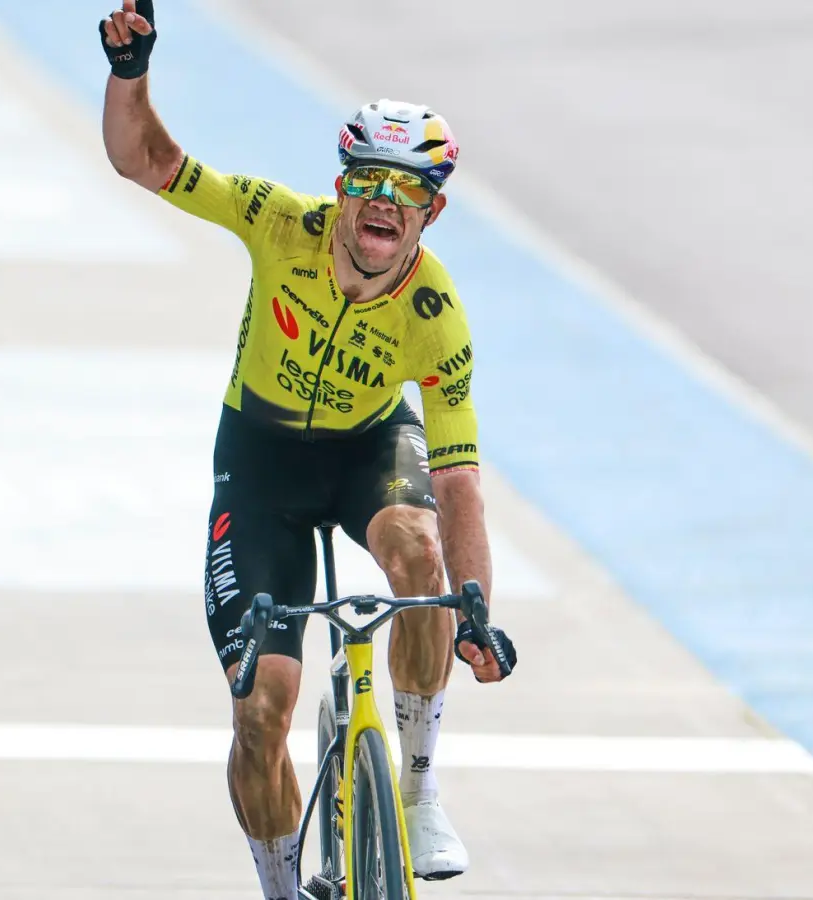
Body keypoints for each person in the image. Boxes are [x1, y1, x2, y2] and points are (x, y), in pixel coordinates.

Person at [98, 2, 517, 896]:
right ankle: (282, 887)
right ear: (341, 187)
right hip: (264, 466)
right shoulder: (279, 224)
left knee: (423, 553)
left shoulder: (436, 317)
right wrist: (130, 74)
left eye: (406, 190)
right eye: (367, 178)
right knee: (262, 711)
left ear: (431, 212)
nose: (381, 201)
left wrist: (473, 604)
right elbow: (147, 161)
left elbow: (460, 480)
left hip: (369, 450)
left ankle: (417, 786)